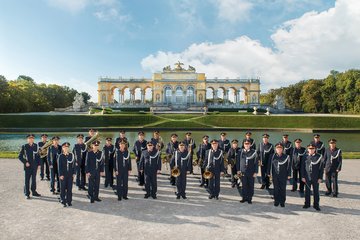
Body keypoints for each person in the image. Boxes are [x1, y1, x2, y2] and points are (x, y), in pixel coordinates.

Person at [18, 134, 41, 199]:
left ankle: (34, 192)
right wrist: (25, 162)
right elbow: (20, 156)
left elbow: (38, 156)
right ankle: (27, 193)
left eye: (32, 138)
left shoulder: (36, 146)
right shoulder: (24, 146)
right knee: (27, 180)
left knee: (33, 180)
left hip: (34, 166)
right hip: (28, 166)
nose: (31, 139)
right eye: (30, 138)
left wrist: (39, 164)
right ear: (27, 139)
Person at [301, 144, 323, 211]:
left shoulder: (319, 156)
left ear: (315, 149)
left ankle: (316, 205)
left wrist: (320, 177)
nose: (311, 150)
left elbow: (321, 168)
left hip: (316, 178)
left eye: (312, 148)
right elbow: (302, 167)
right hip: (307, 177)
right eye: (309, 149)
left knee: (316, 192)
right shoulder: (305, 156)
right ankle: (307, 204)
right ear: (308, 149)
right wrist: (302, 176)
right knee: (307, 191)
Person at [237, 139, 258, 204]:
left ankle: (249, 198)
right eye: (245, 144)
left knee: (251, 186)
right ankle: (244, 198)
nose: (246, 145)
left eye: (248, 144)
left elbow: (256, 163)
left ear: (250, 145)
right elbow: (238, 162)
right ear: (243, 145)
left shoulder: (254, 152)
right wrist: (238, 170)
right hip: (243, 172)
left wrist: (255, 172)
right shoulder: (240, 152)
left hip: (251, 172)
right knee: (244, 185)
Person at [58, 142, 76, 207]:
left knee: (69, 188)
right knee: (62, 188)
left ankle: (69, 201)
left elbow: (74, 165)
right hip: (63, 175)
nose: (66, 148)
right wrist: (61, 175)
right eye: (65, 147)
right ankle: (63, 200)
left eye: (67, 147)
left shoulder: (71, 155)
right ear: (62, 148)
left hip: (70, 175)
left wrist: (74, 173)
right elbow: (59, 167)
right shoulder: (61, 156)